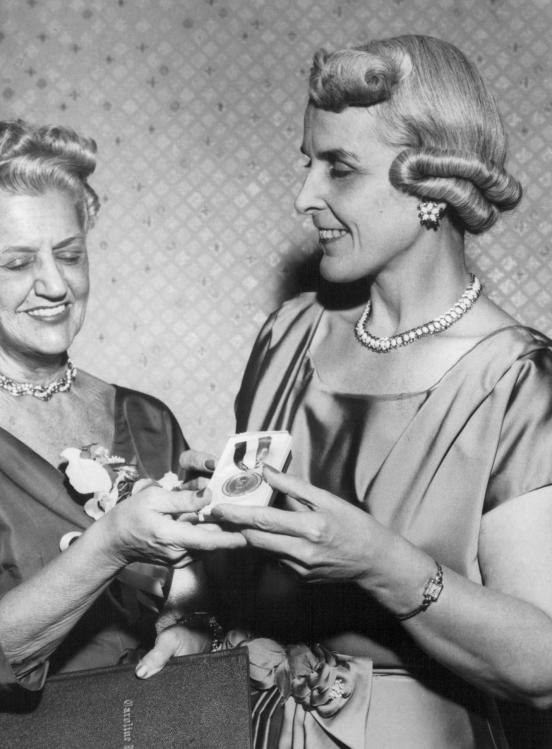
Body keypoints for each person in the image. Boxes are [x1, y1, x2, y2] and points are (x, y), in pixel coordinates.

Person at [192, 34, 552, 748]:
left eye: (339, 169)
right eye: (308, 163)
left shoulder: (516, 379)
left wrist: (379, 562)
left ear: (427, 186)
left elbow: (543, 666)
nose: (304, 196)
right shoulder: (289, 337)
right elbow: (240, 590)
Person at [0, 120, 245, 749]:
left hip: (144, 726)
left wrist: (190, 621)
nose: (55, 284)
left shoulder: (146, 418)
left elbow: (189, 593)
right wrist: (111, 544)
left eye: (69, 254)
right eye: (18, 262)